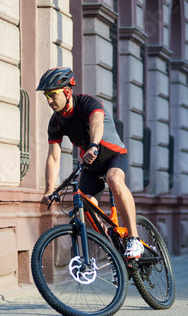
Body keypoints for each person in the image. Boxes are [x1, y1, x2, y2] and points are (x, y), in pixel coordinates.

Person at [37, 67, 144, 259]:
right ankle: (114, 251)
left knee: (114, 179)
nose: (49, 101)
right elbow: (54, 156)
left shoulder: (87, 103)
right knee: (86, 205)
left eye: (52, 95)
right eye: (46, 96)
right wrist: (49, 190)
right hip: (91, 166)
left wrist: (93, 145)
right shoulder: (56, 121)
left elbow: (97, 122)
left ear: (67, 91)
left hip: (114, 156)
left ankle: (134, 239)